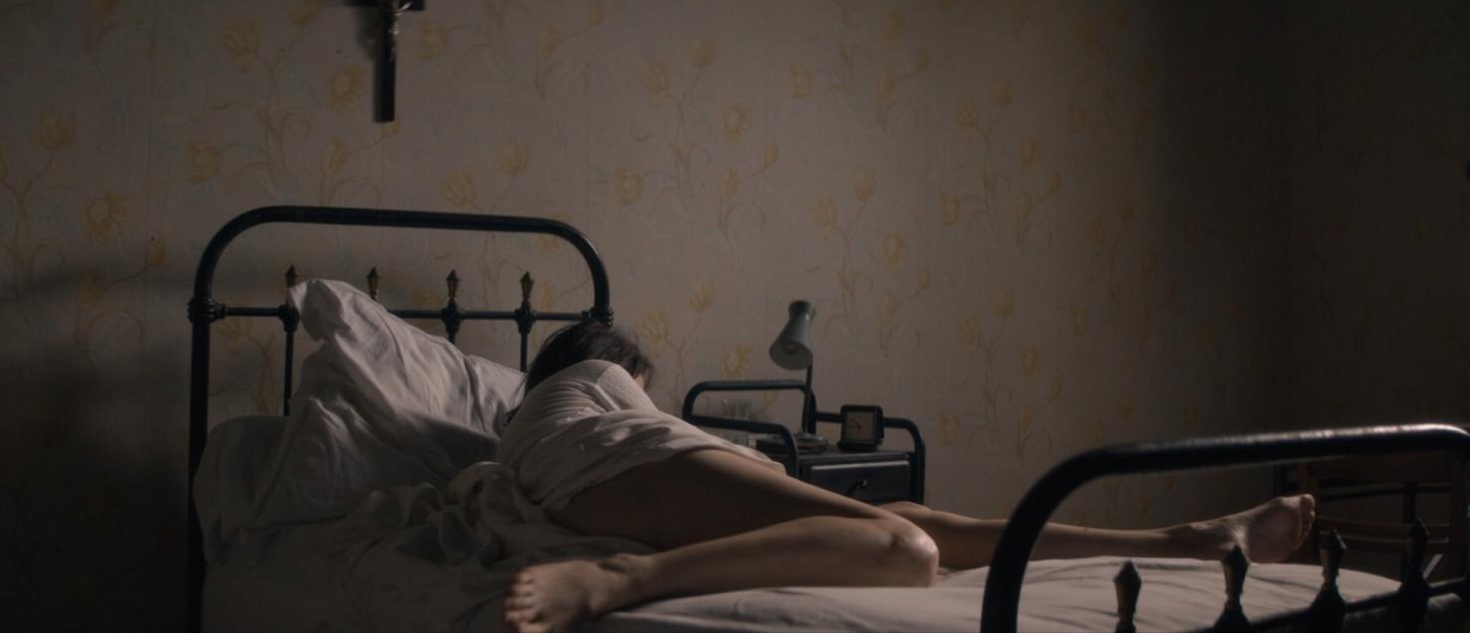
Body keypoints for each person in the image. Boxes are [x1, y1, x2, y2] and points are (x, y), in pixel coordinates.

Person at [499, 320, 1316, 633]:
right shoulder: (585, 389)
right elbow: (644, 429)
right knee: (908, 545)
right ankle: (624, 578)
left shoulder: (541, 429)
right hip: (605, 459)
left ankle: (1188, 542)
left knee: (926, 523)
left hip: (600, 466)